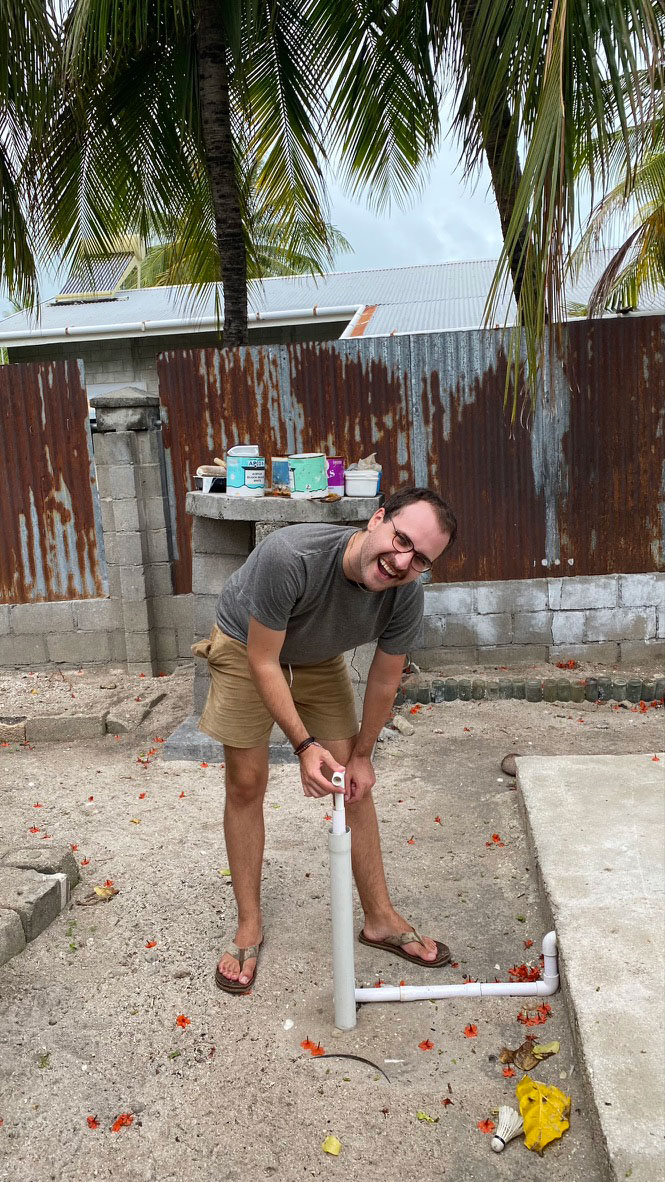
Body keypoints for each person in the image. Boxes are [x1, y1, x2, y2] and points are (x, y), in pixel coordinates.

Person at [194, 486, 457, 994]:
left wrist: (361, 756)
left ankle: (379, 918)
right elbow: (264, 663)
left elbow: (384, 680)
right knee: (246, 783)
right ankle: (250, 922)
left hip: (317, 658)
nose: (402, 561)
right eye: (400, 539)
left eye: (420, 558)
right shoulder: (291, 557)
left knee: (352, 784)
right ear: (377, 519)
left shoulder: (407, 594)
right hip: (247, 647)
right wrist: (303, 744)